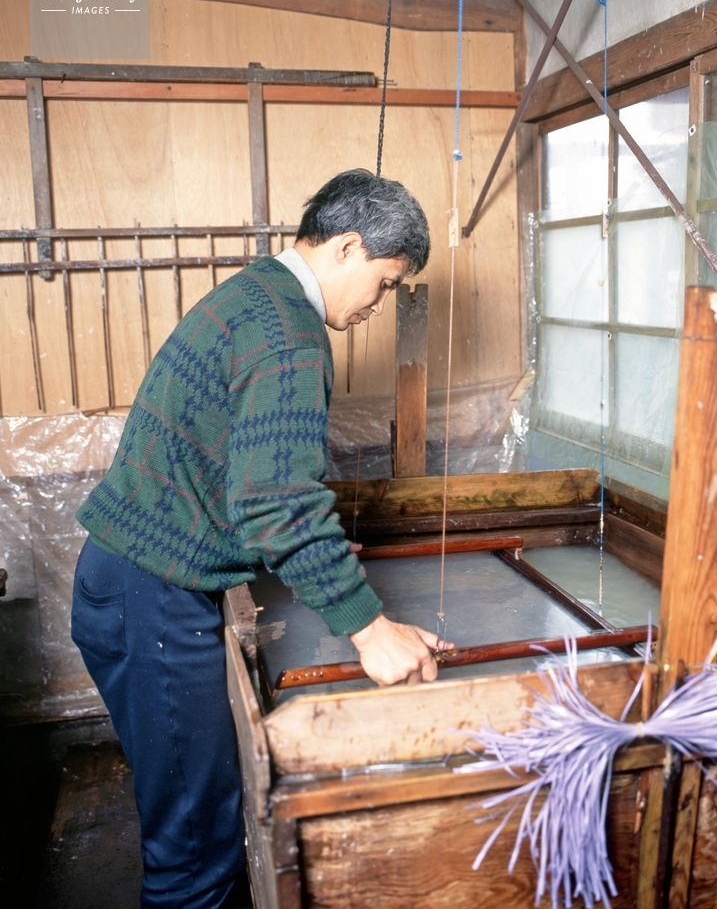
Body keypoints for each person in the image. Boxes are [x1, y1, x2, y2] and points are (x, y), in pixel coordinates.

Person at [70, 169, 451, 909]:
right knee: (196, 856)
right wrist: (371, 630)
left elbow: (242, 480)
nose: (379, 306)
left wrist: (311, 555)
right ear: (347, 246)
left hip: (129, 579)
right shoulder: (289, 334)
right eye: (384, 283)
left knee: (195, 827)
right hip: (154, 599)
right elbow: (275, 501)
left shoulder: (256, 297)